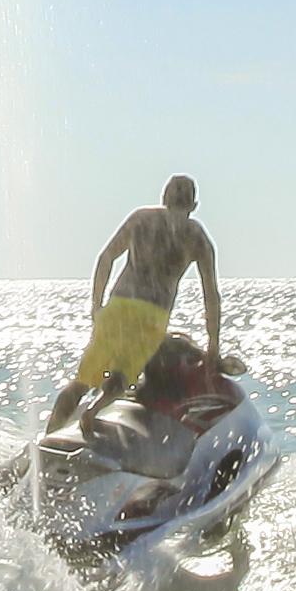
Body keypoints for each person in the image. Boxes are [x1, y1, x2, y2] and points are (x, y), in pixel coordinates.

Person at [40, 178, 220, 436]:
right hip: (153, 315)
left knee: (82, 381)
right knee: (123, 376)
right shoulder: (197, 238)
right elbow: (210, 296)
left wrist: (96, 304)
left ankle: (47, 437)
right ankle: (95, 409)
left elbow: (106, 258)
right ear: (193, 205)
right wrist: (213, 344)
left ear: (163, 198)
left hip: (119, 306)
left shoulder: (140, 220)